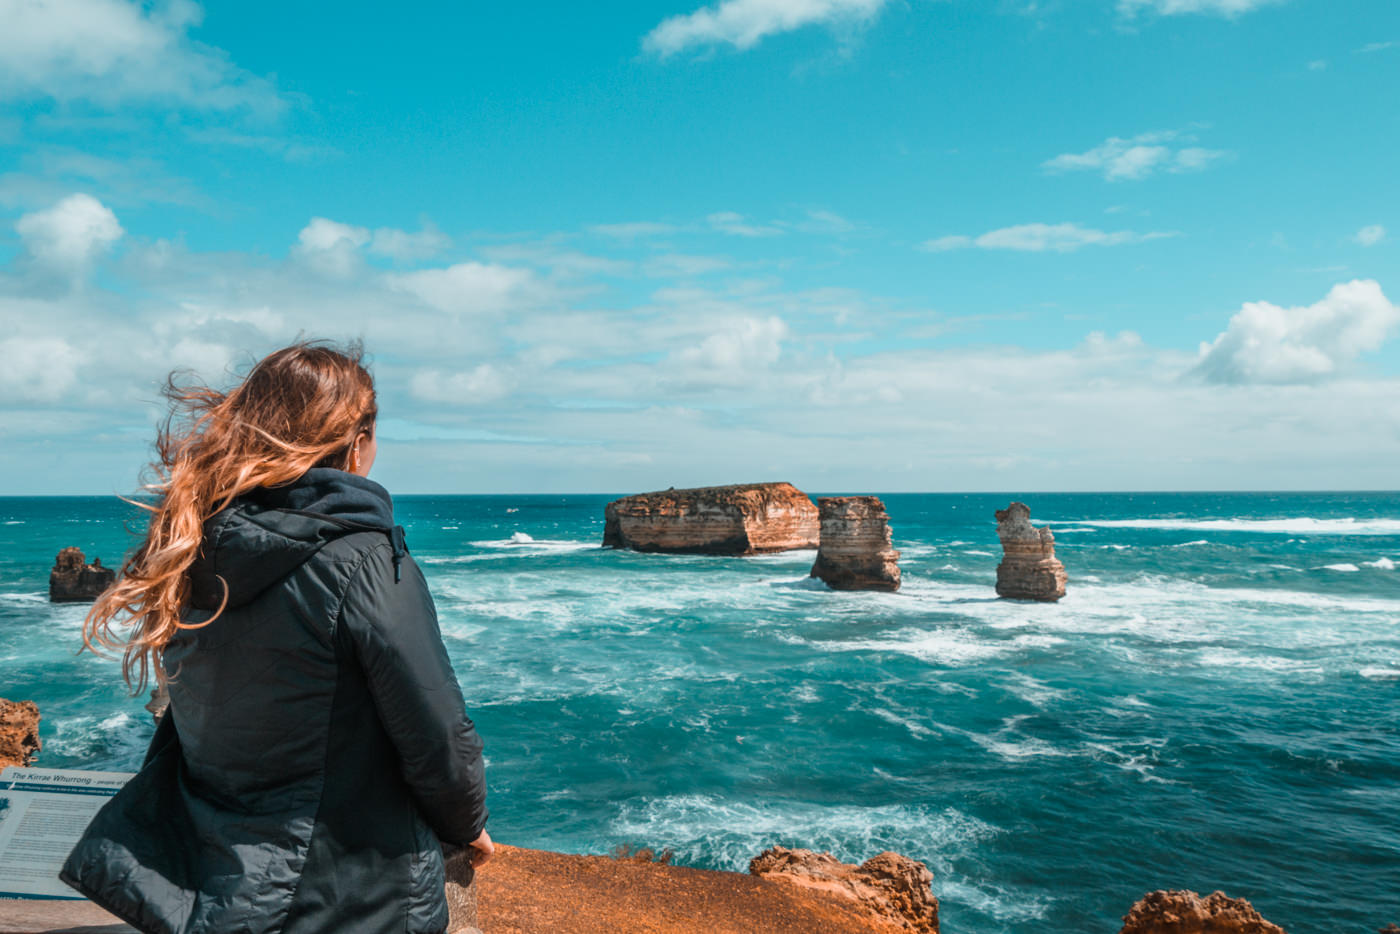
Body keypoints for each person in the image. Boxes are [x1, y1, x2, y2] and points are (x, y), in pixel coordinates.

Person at [62, 341, 491, 934]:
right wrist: (466, 822)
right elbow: (434, 726)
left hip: (222, 876)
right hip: (349, 891)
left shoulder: (192, 547)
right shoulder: (363, 559)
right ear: (357, 442)